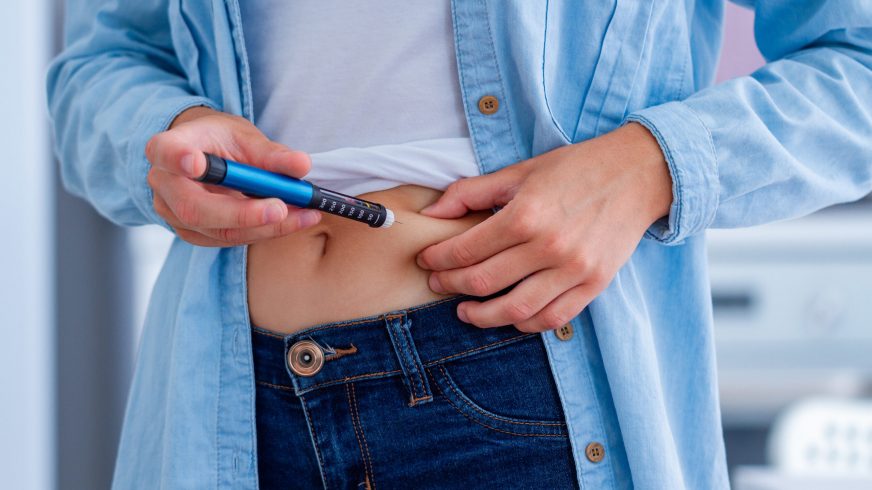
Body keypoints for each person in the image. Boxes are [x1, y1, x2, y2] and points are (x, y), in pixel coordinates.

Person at [47, 0, 872, 488]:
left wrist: (650, 165)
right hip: (226, 412)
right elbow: (102, 62)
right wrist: (167, 136)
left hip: (515, 382)